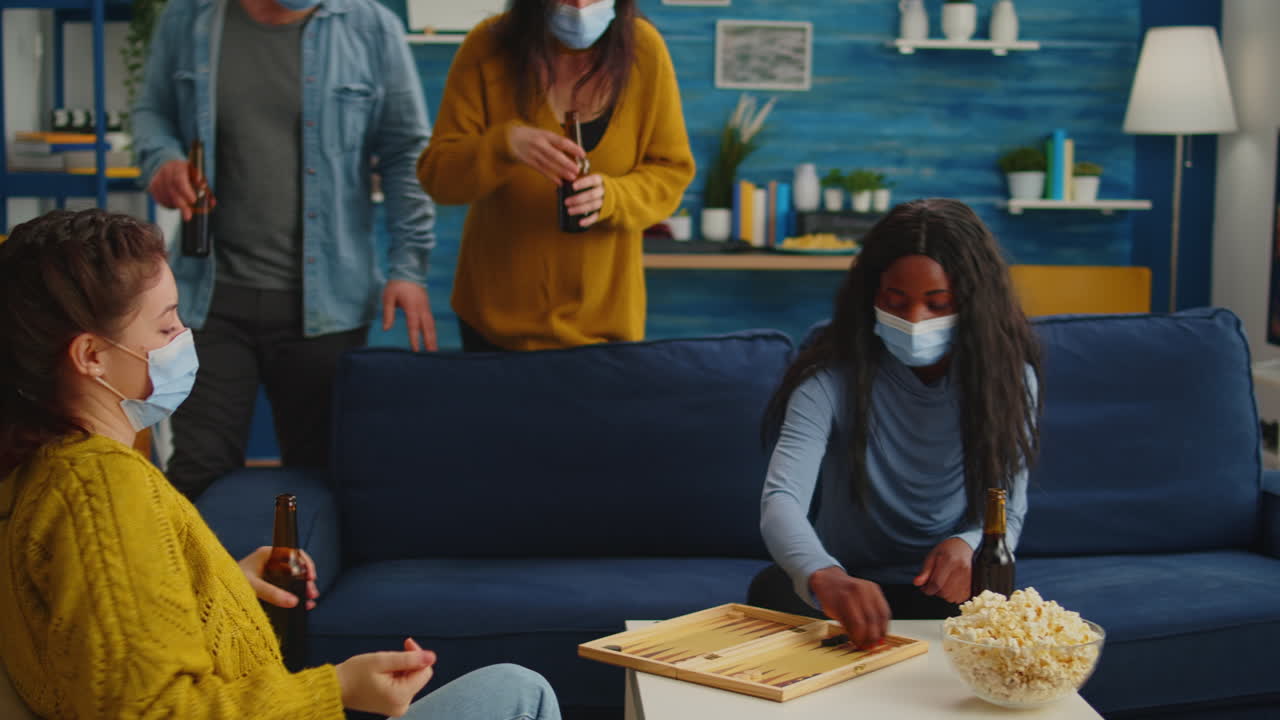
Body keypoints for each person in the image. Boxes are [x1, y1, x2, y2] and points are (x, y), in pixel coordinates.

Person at [0, 210, 560, 720]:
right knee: (519, 692)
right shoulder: (100, 487)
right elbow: (153, 711)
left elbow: (110, 628)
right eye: (167, 327)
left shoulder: (45, 471)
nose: (184, 341)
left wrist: (220, 585)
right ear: (91, 357)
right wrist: (336, 688)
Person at [132, 0, 438, 499]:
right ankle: (205, 581)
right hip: (209, 300)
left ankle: (305, 579)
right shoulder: (189, 18)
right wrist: (162, 159)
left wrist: (409, 267)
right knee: (198, 474)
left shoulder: (370, 27)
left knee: (323, 476)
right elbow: (152, 111)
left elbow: (407, 152)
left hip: (327, 305)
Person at [750, 198, 1042, 649]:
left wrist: (968, 543)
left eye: (937, 303)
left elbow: (1010, 508)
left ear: (972, 302)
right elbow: (781, 500)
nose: (914, 320)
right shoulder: (829, 376)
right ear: (871, 294)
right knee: (768, 593)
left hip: (952, 591)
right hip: (846, 588)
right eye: (896, 300)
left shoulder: (1010, 378)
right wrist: (823, 575)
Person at [417, 0, 695, 351]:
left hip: (604, 328)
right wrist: (502, 144)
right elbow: (438, 176)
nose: (579, 5)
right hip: (493, 325)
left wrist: (613, 197)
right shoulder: (487, 46)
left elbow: (671, 173)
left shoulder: (645, 50)